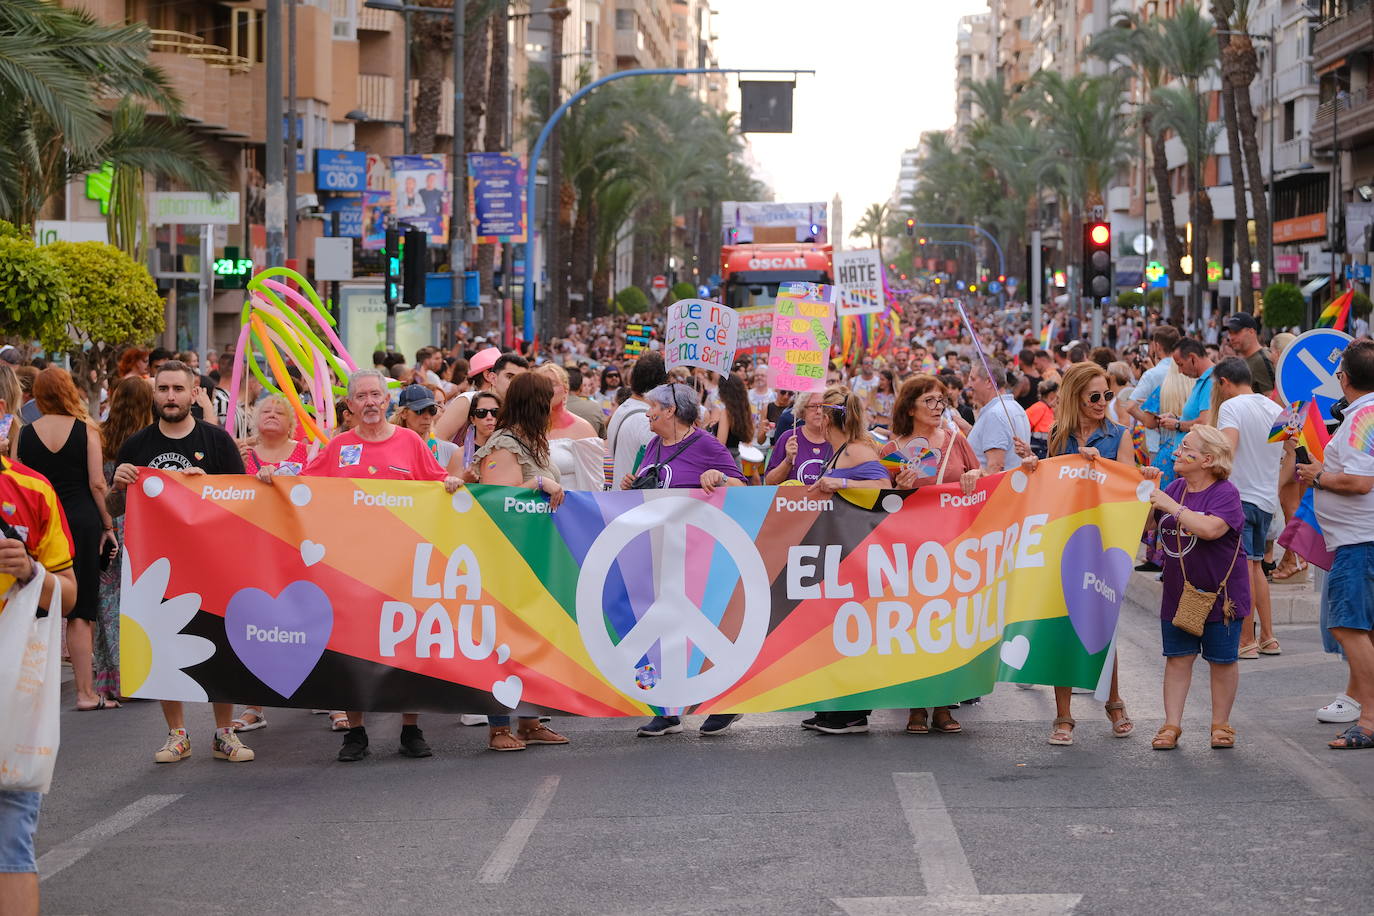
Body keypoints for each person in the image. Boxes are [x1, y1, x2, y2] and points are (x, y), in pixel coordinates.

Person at [258, 368, 464, 762]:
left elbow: (437, 484)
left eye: (376, 395)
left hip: (403, 565)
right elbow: (303, 483)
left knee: (406, 645)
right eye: (361, 397)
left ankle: (410, 729)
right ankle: (355, 733)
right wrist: (273, 476)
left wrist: (450, 484)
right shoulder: (338, 448)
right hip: (350, 568)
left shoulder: (410, 442)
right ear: (350, 405)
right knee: (351, 648)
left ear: (388, 402)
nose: (370, 402)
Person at [111, 361, 256, 763]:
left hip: (212, 563)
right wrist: (118, 483)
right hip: (154, 568)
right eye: (163, 389)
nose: (170, 396)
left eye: (178, 389)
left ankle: (224, 734)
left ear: (195, 394)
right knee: (162, 648)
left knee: (219, 644)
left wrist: (206, 487)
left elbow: (244, 501)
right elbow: (113, 507)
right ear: (153, 394)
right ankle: (177, 734)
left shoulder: (216, 442)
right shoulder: (136, 446)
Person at [1017, 362, 1134, 744]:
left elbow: (1129, 488)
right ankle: (1063, 716)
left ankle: (1114, 702)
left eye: (1107, 395)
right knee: (1062, 626)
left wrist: (1100, 466)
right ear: (1075, 398)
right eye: (1094, 397)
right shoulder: (1058, 434)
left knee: (1103, 625)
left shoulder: (1120, 436)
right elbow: (1048, 486)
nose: (1103, 403)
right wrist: (1036, 467)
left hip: (1104, 543)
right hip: (1063, 540)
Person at [621, 382, 745, 737]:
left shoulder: (707, 445)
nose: (647, 414)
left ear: (670, 410)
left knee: (707, 628)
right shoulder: (655, 445)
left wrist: (720, 477)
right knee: (658, 631)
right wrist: (633, 484)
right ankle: (665, 707)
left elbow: (743, 488)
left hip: (700, 556)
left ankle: (724, 703)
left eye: (652, 408)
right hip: (658, 553)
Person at [475, 372, 571, 751]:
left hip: (537, 553)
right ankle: (499, 727)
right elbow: (494, 499)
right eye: (548, 398)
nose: (554, 405)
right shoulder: (503, 444)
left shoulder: (535, 442)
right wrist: (537, 484)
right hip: (507, 556)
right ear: (534, 402)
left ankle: (530, 720)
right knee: (503, 641)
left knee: (534, 639)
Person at [0, 450, 78, 916]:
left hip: (10, 690)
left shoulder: (32, 490)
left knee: (12, 837)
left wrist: (30, 572)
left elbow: (69, 594)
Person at [880, 375, 978, 735]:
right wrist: (897, 488)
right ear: (910, 408)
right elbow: (880, 503)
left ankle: (944, 704)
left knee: (947, 625)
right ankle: (916, 705)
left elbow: (980, 476)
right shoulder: (890, 450)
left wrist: (976, 475)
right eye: (930, 402)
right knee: (914, 626)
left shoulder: (956, 440)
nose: (938, 409)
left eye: (942, 401)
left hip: (954, 548)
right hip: (909, 550)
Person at [17, 368, 119, 712]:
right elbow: (96, 483)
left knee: (37, 608)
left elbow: (19, 480)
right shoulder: (86, 430)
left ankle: (34, 696)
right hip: (80, 521)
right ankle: (85, 693)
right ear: (69, 391)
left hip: (40, 522)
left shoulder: (25, 433)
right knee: (81, 611)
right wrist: (109, 524)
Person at [1145, 426, 1249, 750]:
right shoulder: (1175, 487)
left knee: (1221, 661)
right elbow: (1148, 527)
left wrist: (1170, 505)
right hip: (1179, 592)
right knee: (1177, 658)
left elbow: (1210, 529)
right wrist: (1149, 494)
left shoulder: (1225, 493)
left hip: (1222, 596)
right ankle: (1171, 725)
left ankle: (1221, 725)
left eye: (1185, 446)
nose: (1177, 451)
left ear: (1206, 459)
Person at [800, 387, 896, 736]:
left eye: (820, 413)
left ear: (829, 417)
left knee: (853, 632)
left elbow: (884, 489)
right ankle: (835, 706)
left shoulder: (856, 450)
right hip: (842, 550)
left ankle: (853, 712)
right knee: (837, 631)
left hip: (859, 551)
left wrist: (837, 482)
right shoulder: (841, 450)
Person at [1296, 340, 1374, 749]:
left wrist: (1317, 478)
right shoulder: (1365, 414)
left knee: (1347, 625)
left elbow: (1360, 482)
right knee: (1365, 629)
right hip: (1360, 539)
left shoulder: (1363, 416)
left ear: (1343, 379)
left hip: (1360, 542)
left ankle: (1371, 719)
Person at [1212, 357, 1284, 660]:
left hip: (1239, 498)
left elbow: (1226, 446)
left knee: (1244, 570)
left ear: (1225, 382)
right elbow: (1290, 452)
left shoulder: (1231, 407)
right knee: (1258, 569)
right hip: (1266, 498)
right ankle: (1268, 637)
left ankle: (1246, 640)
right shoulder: (1274, 408)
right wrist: (1276, 487)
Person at [93, 378, 153, 703]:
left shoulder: (99, 435)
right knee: (141, 599)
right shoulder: (149, 439)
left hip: (107, 520)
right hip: (140, 523)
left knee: (108, 603)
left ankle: (112, 677)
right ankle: (143, 672)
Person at [534, 363, 604, 491]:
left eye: (552, 384)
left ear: (565, 389)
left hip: (571, 507)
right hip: (533, 508)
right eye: (541, 384)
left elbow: (594, 486)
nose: (546, 389)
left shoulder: (583, 428)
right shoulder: (527, 427)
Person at [607, 353, 668, 488]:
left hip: (619, 496)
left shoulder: (621, 408)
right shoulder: (647, 420)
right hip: (634, 499)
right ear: (661, 384)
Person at [965, 361, 1031, 475]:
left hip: (995, 490)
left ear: (989, 382)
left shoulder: (995, 413)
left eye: (973, 379)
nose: (968, 385)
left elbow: (995, 466)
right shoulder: (1015, 406)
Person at [765, 392, 834, 486]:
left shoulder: (837, 439)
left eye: (823, 406)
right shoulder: (789, 438)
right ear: (802, 410)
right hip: (793, 500)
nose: (819, 411)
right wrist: (788, 460)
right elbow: (770, 482)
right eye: (813, 406)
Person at [392, 384, 458, 469]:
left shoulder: (451, 451)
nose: (427, 416)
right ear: (404, 413)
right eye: (420, 410)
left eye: (432, 410)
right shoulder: (390, 449)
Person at [1222, 313, 1275, 396]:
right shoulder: (1244, 360)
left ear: (1251, 332)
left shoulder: (1261, 360)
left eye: (1236, 332)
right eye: (1230, 333)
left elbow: (1272, 399)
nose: (1231, 337)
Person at [1025, 379, 1058, 459]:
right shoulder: (1039, 407)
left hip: (1044, 447)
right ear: (1051, 395)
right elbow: (1025, 425)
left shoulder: (1047, 408)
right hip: (1038, 448)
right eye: (1057, 396)